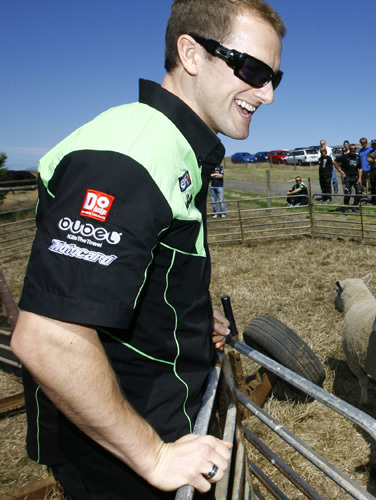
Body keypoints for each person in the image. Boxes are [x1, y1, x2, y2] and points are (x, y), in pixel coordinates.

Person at [10, 2, 285, 498]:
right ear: (191, 53)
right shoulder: (131, 155)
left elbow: (136, 279)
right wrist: (153, 456)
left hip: (154, 413)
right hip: (116, 451)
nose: (266, 93)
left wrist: (190, 320)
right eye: (251, 69)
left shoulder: (176, 150)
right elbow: (49, 336)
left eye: (275, 78)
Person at [334, 143, 363, 213]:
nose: (353, 150)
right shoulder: (345, 156)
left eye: (354, 149)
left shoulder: (358, 157)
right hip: (347, 177)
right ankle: (345, 207)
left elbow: (360, 168)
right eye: (351, 149)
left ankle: (355, 206)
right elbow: (334, 162)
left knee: (359, 192)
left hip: (356, 177)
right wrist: (341, 171)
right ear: (349, 149)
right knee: (348, 193)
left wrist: (360, 178)